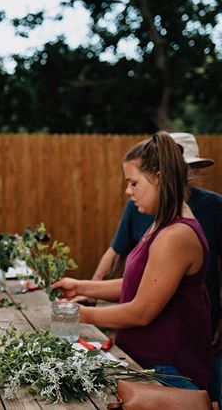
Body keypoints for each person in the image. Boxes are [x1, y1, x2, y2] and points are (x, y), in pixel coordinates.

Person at [53, 131, 213, 390]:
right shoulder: (162, 224)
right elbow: (140, 284)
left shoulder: (177, 235)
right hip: (144, 363)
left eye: (133, 183)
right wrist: (81, 286)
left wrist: (79, 314)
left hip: (168, 374)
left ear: (158, 178)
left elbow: (141, 312)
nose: (128, 191)